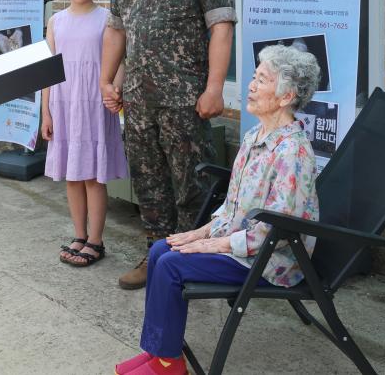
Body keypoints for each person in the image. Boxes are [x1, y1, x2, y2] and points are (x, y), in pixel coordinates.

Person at [115, 44, 321, 375]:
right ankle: (157, 351)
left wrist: (211, 245)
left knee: (170, 266)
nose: (251, 86)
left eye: (262, 80)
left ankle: (169, 364)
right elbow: (233, 205)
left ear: (286, 96)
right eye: (253, 77)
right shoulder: (255, 135)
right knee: (159, 250)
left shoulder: (292, 154)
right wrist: (197, 233)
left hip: (268, 261)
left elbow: (278, 231)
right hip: (242, 245)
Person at [100, 0, 237, 290]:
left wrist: (215, 89)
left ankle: (193, 259)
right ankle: (157, 255)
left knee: (191, 183)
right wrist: (107, 80)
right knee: (149, 181)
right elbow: (116, 31)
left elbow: (222, 29)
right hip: (138, 100)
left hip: (185, 101)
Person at [42, 0, 127, 266]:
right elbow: (48, 71)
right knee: (72, 175)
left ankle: (96, 240)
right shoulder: (55, 21)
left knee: (93, 176)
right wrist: (46, 113)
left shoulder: (107, 18)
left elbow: (120, 61)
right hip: (63, 104)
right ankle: (79, 235)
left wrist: (114, 91)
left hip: (94, 102)